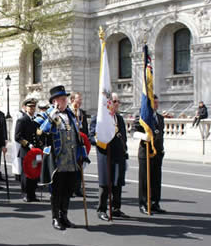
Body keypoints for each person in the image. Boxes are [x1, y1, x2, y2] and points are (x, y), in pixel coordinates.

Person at [35, 85, 86, 230]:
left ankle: (64, 216)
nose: (66, 101)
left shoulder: (71, 115)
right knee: (56, 190)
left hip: (70, 159)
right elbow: (40, 133)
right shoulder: (46, 115)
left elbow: (77, 136)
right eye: (63, 99)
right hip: (56, 159)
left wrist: (82, 153)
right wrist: (52, 116)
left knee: (67, 190)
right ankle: (55, 218)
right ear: (55, 101)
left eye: (65, 99)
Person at [89, 93, 129, 221]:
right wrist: (101, 140)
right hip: (105, 155)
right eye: (115, 101)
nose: (117, 104)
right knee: (105, 184)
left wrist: (125, 152)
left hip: (118, 154)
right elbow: (91, 136)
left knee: (118, 183)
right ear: (109, 103)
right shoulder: (99, 118)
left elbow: (123, 137)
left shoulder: (119, 118)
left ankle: (116, 208)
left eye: (118, 101)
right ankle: (101, 209)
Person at [134, 95, 166, 214]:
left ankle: (155, 203)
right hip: (145, 152)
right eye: (154, 103)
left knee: (156, 180)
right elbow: (134, 131)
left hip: (157, 152)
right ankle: (143, 203)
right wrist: (144, 136)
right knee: (144, 180)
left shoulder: (160, 118)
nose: (156, 105)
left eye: (157, 103)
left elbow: (161, 135)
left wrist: (162, 149)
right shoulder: (142, 117)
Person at [15, 98, 41, 202]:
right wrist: (28, 144)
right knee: (26, 174)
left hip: (35, 151)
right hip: (26, 151)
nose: (32, 108)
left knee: (34, 172)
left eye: (34, 106)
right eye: (30, 106)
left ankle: (32, 194)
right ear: (25, 108)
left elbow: (39, 134)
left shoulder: (36, 120)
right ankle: (26, 194)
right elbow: (17, 137)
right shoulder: (22, 120)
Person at [70, 92, 88, 197]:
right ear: (72, 100)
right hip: (71, 144)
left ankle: (77, 188)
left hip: (80, 145)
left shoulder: (82, 113)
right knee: (72, 167)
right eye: (78, 99)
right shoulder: (69, 112)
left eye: (81, 100)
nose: (80, 101)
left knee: (80, 166)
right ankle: (70, 188)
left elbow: (84, 128)